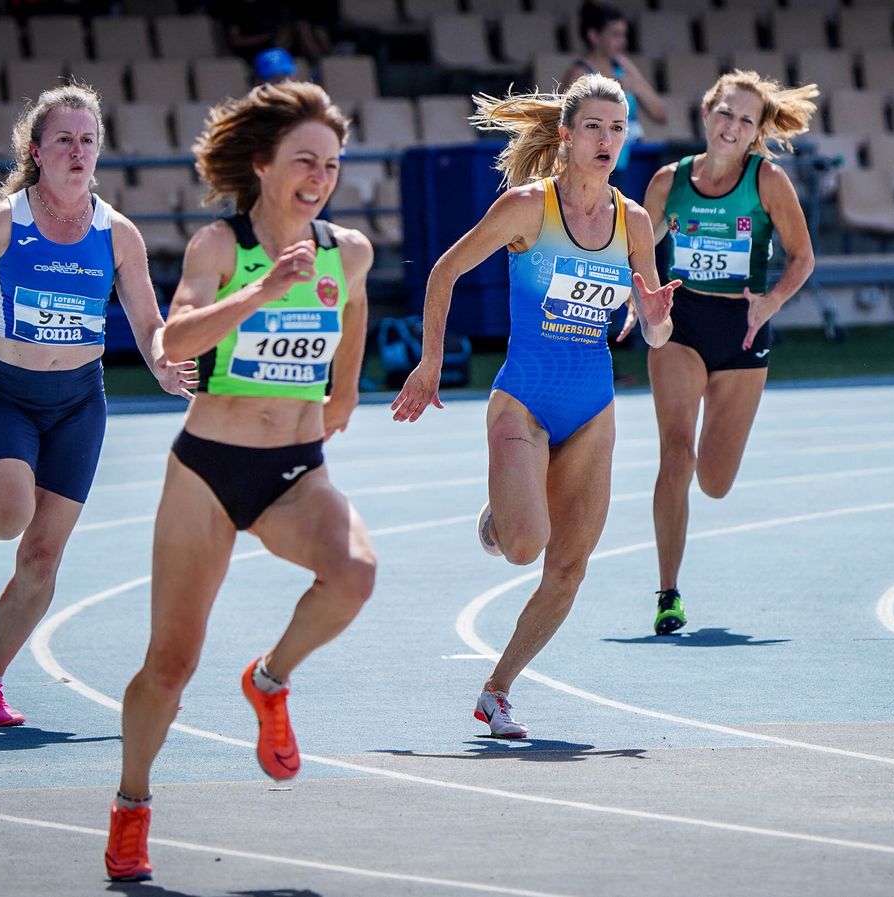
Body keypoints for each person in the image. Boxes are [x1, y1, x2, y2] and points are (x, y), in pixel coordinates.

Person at [105, 80, 376, 883]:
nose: (319, 177)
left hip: (295, 469)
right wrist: (261, 291)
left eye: (330, 164)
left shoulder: (346, 251)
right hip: (209, 469)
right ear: (262, 165)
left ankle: (269, 679)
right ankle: (131, 806)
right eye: (304, 161)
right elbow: (172, 333)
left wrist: (348, 386)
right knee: (169, 664)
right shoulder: (220, 248)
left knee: (355, 573)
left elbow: (353, 307)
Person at [389, 74, 677, 739]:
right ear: (568, 136)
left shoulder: (633, 222)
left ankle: (497, 690)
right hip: (524, 401)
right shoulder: (527, 209)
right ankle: (501, 513)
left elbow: (654, 329)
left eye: (618, 128)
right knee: (524, 545)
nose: (608, 140)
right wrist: (431, 361)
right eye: (595, 128)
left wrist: (656, 318)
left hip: (591, 407)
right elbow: (444, 273)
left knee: (568, 569)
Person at [0, 82, 194, 728]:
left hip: (78, 406)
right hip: (9, 394)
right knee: (10, 515)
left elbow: (148, 321)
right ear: (36, 151)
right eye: (63, 139)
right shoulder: (4, 224)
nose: (78, 151)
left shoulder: (118, 233)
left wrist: (165, 367)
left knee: (42, 556)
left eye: (88, 140)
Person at [616, 70, 817, 635]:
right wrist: (639, 297)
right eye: (725, 113)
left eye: (745, 120)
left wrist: (771, 302)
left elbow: (802, 258)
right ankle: (668, 593)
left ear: (756, 134)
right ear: (707, 115)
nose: (732, 126)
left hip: (743, 329)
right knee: (675, 455)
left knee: (715, 481)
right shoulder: (667, 182)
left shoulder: (768, 180)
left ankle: (706, 469)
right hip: (681, 323)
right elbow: (634, 247)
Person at [560, 1, 667, 175]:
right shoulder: (578, 73)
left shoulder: (623, 65)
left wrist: (637, 87)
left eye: (624, 35)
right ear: (594, 36)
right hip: (590, 169)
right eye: (615, 35)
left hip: (627, 164)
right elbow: (561, 127)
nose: (623, 42)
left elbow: (660, 114)